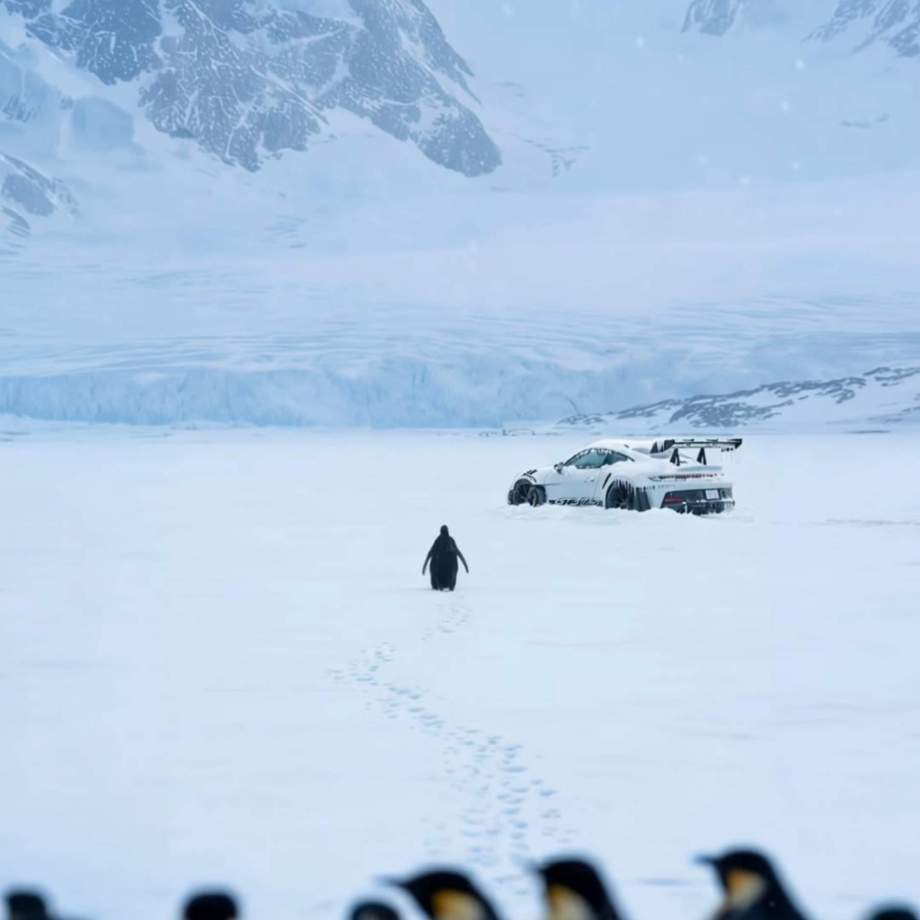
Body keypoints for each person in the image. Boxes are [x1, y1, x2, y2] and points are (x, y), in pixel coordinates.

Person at [422, 525, 469, 591]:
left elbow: (430, 554)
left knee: (435, 563)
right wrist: (465, 566)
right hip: (448, 580)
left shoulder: (439, 541)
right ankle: (450, 585)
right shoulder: (450, 541)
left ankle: (439, 584)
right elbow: (458, 553)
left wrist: (424, 568)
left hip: (439, 579)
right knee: (452, 563)